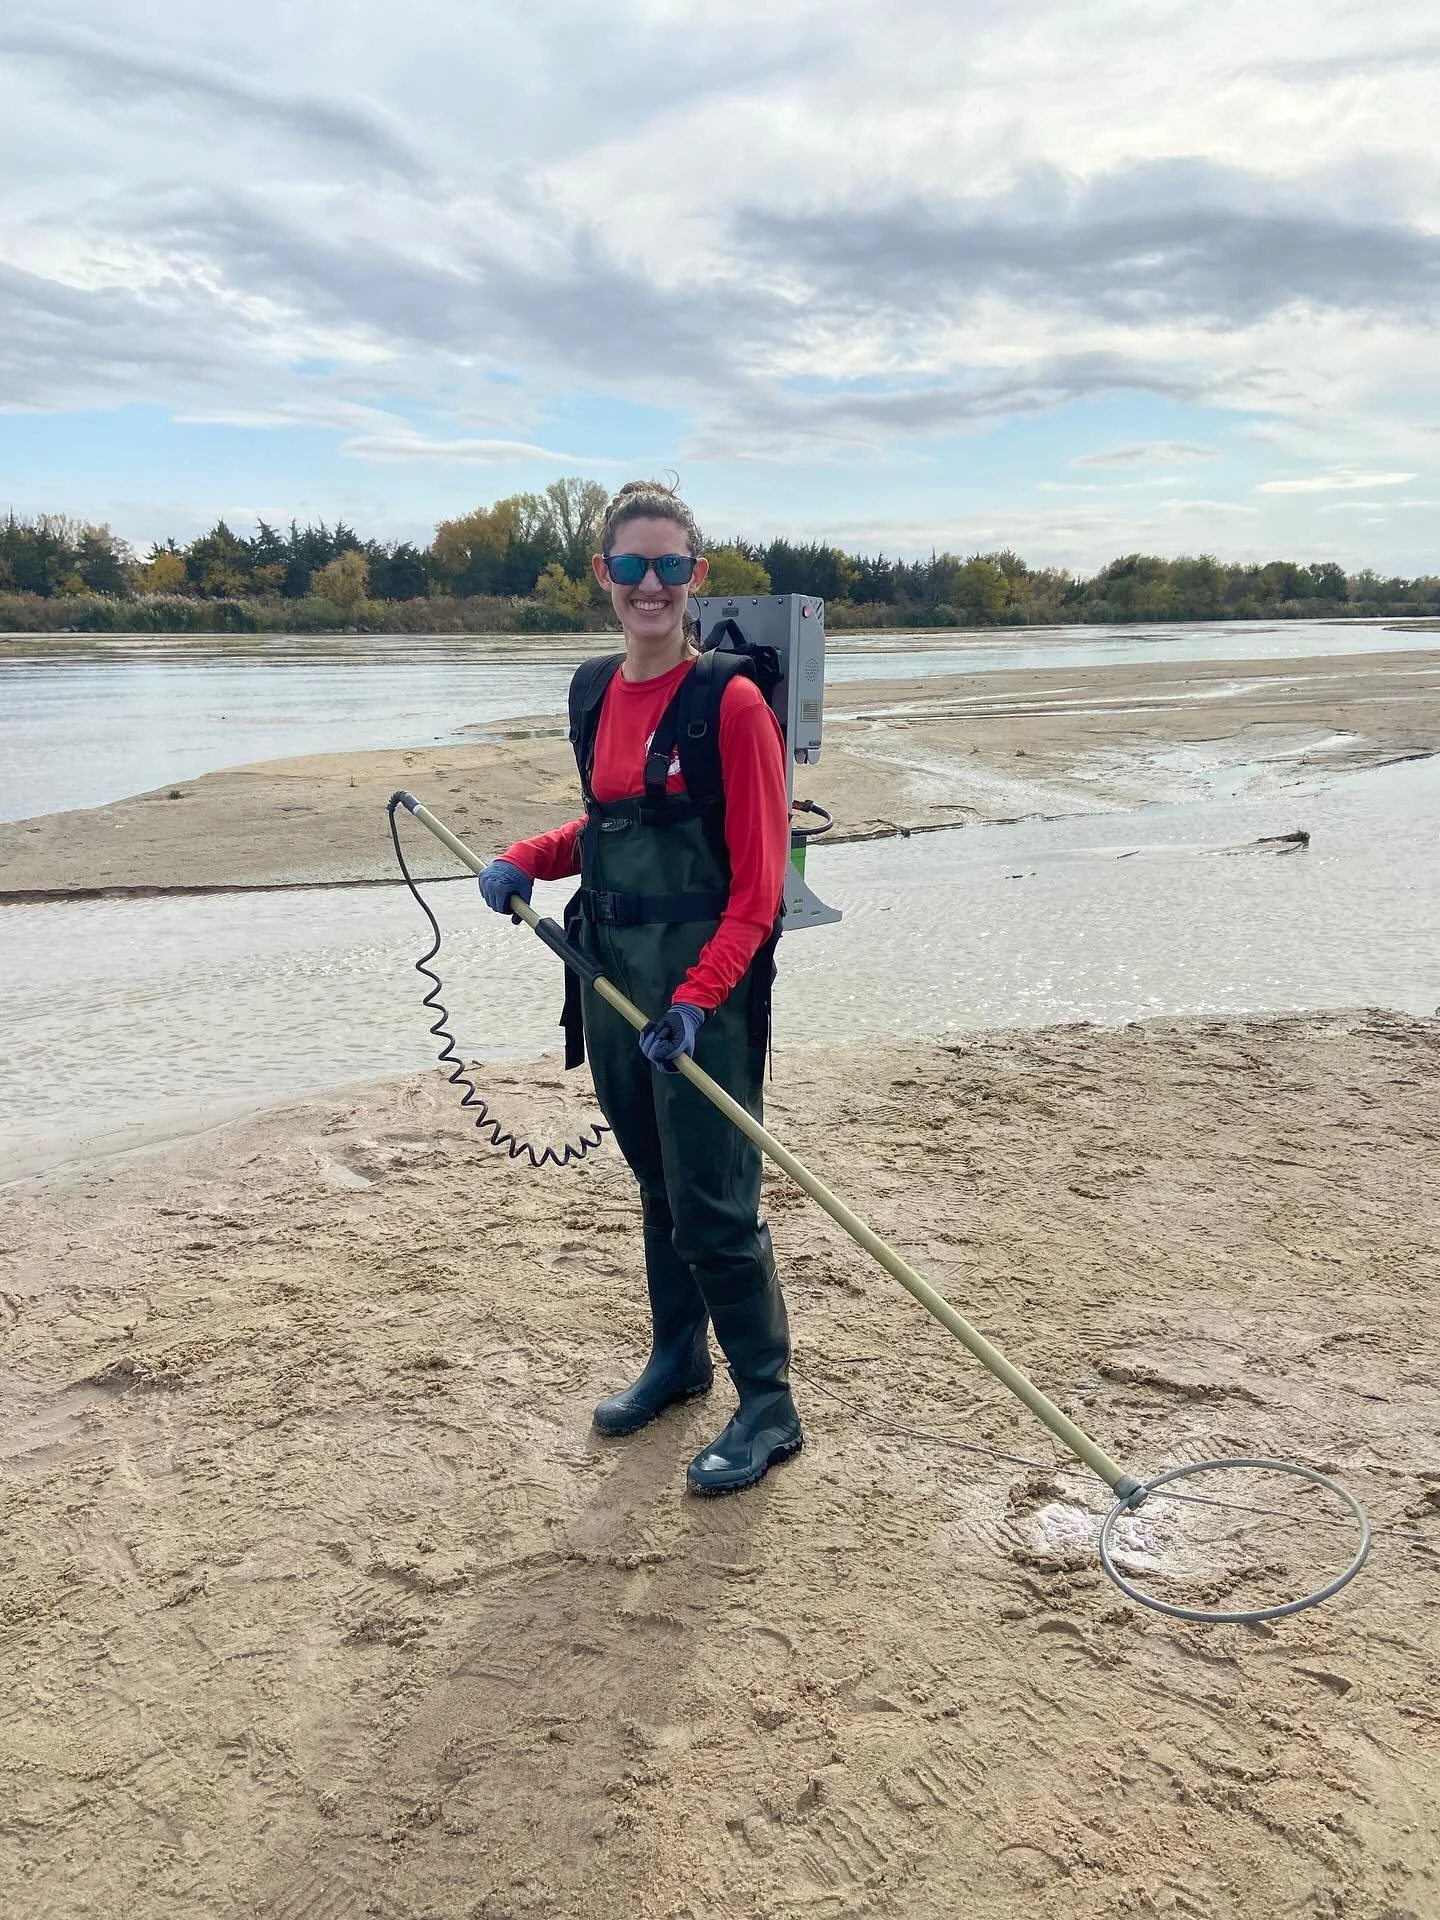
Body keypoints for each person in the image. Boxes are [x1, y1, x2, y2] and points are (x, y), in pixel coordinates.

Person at [476, 479, 802, 1495]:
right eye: (631, 565)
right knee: (657, 1186)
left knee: (715, 1202)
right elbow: (608, 827)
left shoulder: (731, 706)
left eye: (669, 566)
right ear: (604, 575)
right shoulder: (591, 692)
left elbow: (759, 890)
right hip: (613, 984)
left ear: (696, 577)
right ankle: (678, 1360)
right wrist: (529, 858)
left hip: (705, 996)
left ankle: (768, 1404)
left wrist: (699, 1000)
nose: (649, 585)